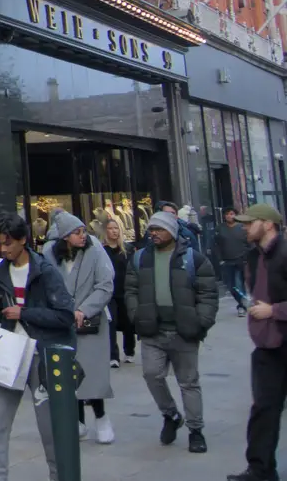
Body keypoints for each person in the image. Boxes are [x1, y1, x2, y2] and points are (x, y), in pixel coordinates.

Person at [0, 213, 76, 481]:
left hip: (41, 354)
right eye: (0, 244)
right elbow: (2, 313)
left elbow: (65, 316)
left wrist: (23, 313)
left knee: (49, 427)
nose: (4, 249)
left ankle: (59, 475)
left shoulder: (45, 271)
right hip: (11, 352)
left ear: (23, 240)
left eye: (8, 243)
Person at [124, 209, 218, 454]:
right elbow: (131, 290)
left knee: (188, 382)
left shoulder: (193, 259)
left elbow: (208, 293)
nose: (153, 233)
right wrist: (137, 315)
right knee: (152, 375)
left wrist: (201, 321)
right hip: (152, 331)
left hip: (184, 331)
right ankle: (170, 414)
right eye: (151, 229)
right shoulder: (140, 258)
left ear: (173, 231)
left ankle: (196, 430)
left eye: (159, 229)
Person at [45, 213, 116, 444]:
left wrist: (84, 309)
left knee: (93, 371)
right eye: (77, 232)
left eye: (84, 231)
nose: (83, 236)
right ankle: (78, 421)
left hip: (92, 320)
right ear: (65, 236)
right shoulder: (49, 255)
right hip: (62, 323)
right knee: (68, 372)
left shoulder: (95, 250)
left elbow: (105, 283)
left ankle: (101, 417)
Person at [231, 204, 287, 481]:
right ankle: (260, 470)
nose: (243, 227)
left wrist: (273, 311)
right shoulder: (253, 257)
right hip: (267, 347)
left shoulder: (285, 254)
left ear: (267, 224)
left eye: (249, 223)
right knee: (264, 409)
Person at [102, 218, 135, 366]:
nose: (114, 231)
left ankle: (129, 351)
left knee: (128, 323)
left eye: (116, 228)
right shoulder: (102, 251)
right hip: (110, 292)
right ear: (105, 231)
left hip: (126, 290)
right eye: (110, 228)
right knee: (111, 324)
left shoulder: (127, 249)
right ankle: (112, 356)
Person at [218, 207, 252, 317]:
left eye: (232, 214)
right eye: (227, 214)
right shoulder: (220, 228)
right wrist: (219, 259)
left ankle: (242, 306)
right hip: (227, 261)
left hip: (240, 260)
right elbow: (216, 245)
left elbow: (249, 244)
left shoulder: (242, 228)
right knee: (231, 286)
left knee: (238, 283)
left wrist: (247, 257)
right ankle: (243, 301)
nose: (229, 216)